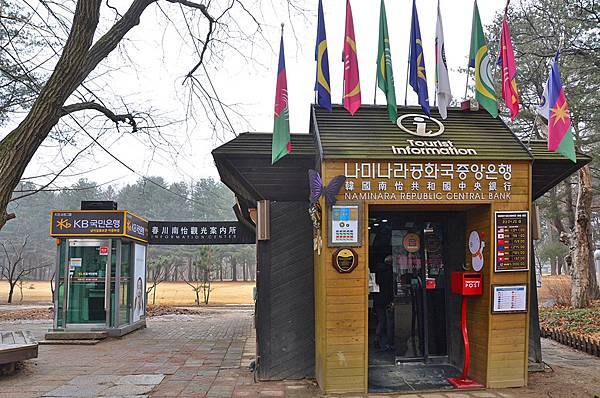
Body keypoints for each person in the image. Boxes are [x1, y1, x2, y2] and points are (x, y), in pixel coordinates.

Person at [373, 254, 394, 350]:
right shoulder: (390, 273)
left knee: (381, 321)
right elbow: (390, 288)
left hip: (378, 299)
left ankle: (377, 339)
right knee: (390, 322)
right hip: (387, 299)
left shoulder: (378, 271)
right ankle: (389, 343)